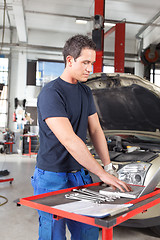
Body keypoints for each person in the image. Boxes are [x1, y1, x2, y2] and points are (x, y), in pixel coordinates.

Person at [31, 34, 131, 240]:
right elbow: (69, 139)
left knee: (87, 232)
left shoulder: (85, 92)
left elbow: (95, 130)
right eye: (85, 62)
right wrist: (101, 174)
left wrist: (108, 166)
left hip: (79, 174)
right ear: (69, 60)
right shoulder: (51, 93)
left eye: (92, 63)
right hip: (52, 176)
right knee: (53, 235)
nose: (90, 69)